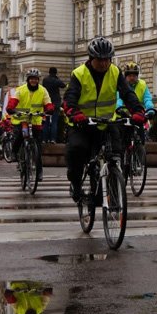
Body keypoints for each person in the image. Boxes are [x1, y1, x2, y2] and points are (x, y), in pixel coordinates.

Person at [63, 37, 145, 202]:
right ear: (91, 58)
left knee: (116, 154)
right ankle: (76, 184)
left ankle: (113, 197)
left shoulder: (115, 72)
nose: (103, 63)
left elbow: (127, 93)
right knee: (77, 149)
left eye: (107, 59)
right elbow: (70, 98)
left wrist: (138, 111)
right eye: (100, 60)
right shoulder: (79, 74)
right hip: (82, 124)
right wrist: (74, 113)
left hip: (107, 122)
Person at [6, 68, 54, 181]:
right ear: (28, 79)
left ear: (38, 80)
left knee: (37, 145)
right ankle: (14, 153)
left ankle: (39, 171)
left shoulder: (43, 90)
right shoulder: (20, 90)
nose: (33, 81)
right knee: (20, 136)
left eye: (35, 79)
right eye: (31, 78)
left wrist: (50, 109)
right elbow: (13, 101)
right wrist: (10, 108)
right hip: (21, 119)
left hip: (35, 120)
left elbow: (48, 103)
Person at [116, 61, 157, 153]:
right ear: (125, 76)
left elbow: (147, 99)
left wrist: (150, 109)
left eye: (134, 75)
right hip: (125, 115)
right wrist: (119, 108)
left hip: (138, 115)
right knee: (122, 140)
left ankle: (140, 155)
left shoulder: (142, 85)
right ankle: (123, 157)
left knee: (141, 137)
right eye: (129, 75)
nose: (132, 77)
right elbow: (119, 99)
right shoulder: (122, 86)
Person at [42, 66, 67, 143]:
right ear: (56, 72)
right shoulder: (56, 80)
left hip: (47, 103)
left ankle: (44, 139)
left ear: (49, 72)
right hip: (56, 103)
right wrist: (57, 78)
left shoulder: (45, 80)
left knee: (46, 122)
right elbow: (63, 85)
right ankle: (53, 139)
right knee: (54, 122)